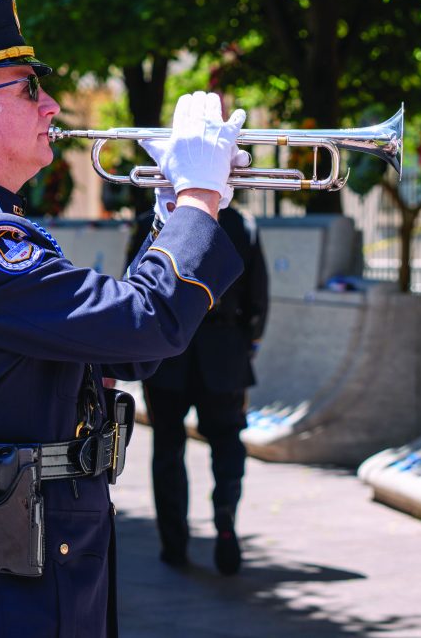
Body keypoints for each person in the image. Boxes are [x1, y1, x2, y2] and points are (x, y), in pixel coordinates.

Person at [0, 0, 248, 637]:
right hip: (5, 577)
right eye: (27, 91)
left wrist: (171, 213)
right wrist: (197, 197)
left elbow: (103, 337)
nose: (51, 106)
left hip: (12, 551)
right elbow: (143, 328)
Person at [124, 199, 268, 575]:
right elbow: (258, 297)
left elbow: (135, 288)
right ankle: (225, 522)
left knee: (168, 448)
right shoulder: (241, 223)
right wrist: (245, 345)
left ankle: (174, 544)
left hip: (168, 353)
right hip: (224, 353)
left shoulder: (151, 221)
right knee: (227, 442)